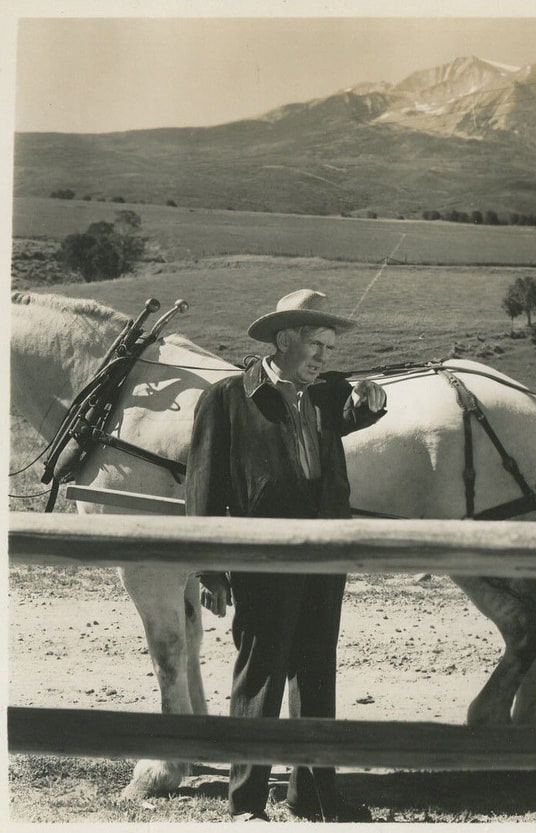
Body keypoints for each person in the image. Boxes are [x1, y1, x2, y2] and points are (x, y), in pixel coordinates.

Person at [187, 289, 387, 823]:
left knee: (317, 676)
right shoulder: (229, 398)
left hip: (325, 555)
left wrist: (372, 399)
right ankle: (246, 803)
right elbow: (203, 491)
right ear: (283, 340)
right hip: (265, 559)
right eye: (317, 344)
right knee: (260, 674)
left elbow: (356, 406)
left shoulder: (322, 396)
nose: (325, 356)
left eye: (330, 346)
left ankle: (314, 797)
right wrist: (210, 566)